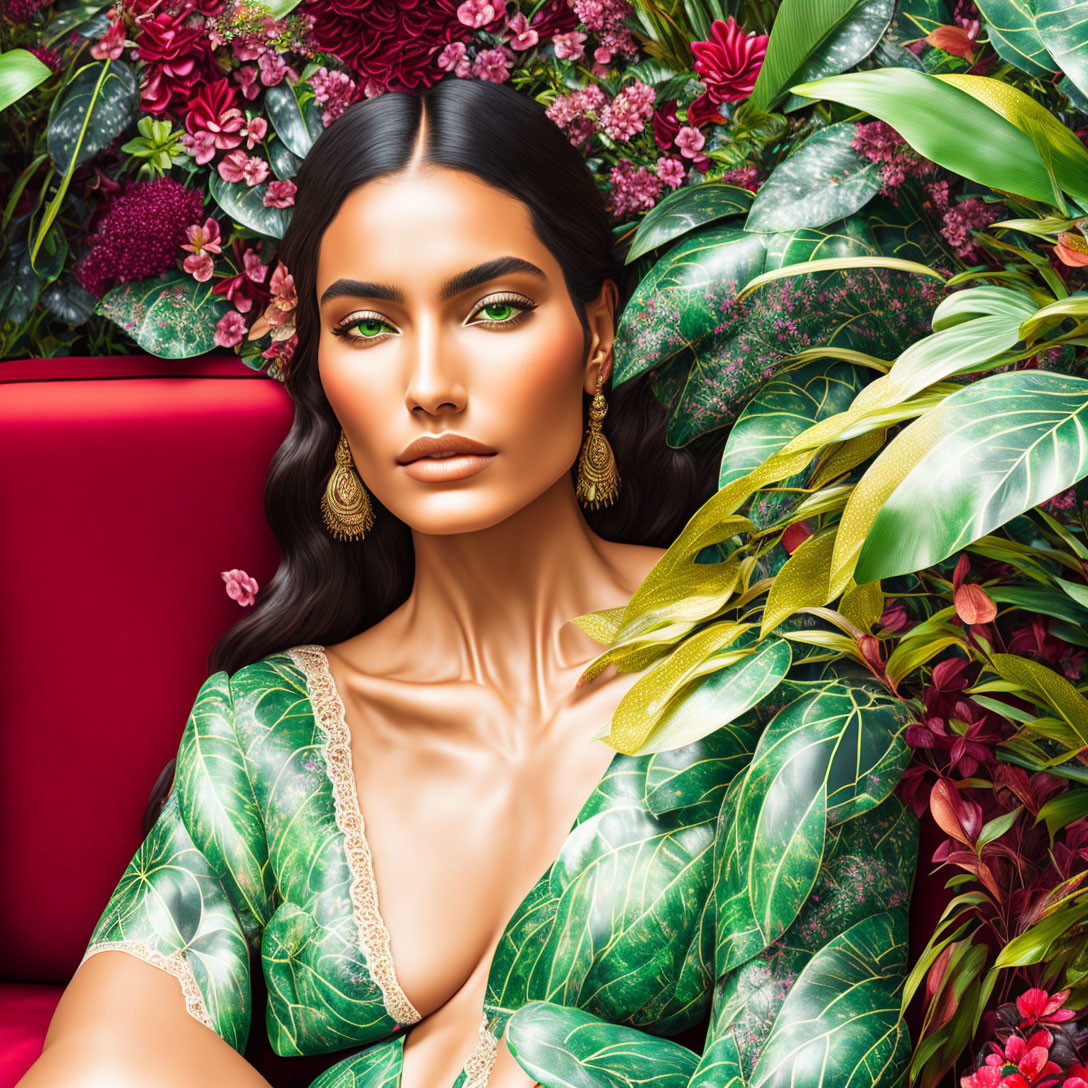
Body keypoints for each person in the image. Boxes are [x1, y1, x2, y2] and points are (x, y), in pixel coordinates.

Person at [18, 77, 915, 1088]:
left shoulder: (779, 695)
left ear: (598, 337)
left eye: (493, 308)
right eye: (366, 326)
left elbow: (810, 1060)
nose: (430, 382)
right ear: (321, 368)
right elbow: (110, 1048)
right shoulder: (266, 727)